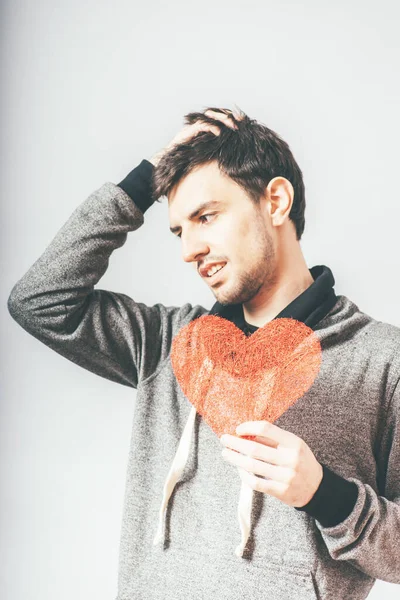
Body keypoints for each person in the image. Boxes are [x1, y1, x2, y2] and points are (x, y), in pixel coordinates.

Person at [7, 106, 400, 600]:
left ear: (275, 201)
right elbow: (39, 300)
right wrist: (146, 180)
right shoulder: (167, 342)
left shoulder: (384, 361)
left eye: (206, 217)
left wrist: (325, 495)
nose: (188, 249)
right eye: (178, 230)